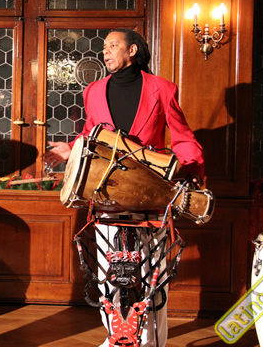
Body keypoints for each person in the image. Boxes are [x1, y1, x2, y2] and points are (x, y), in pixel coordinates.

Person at [43, 28, 204, 347]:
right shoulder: (93, 91)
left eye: (113, 45)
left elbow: (182, 136)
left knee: (154, 277)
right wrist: (70, 149)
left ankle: (151, 342)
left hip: (150, 194)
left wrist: (192, 169)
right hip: (107, 195)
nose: (105, 51)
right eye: (104, 47)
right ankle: (117, 337)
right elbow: (91, 134)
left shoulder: (162, 88)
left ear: (133, 50)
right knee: (110, 275)